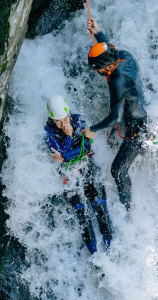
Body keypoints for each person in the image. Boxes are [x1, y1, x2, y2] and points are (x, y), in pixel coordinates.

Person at [82, 17, 148, 211]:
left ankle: (128, 210)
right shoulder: (123, 55)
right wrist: (98, 33)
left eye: (99, 70)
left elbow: (116, 118)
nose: (98, 72)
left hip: (138, 126)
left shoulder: (117, 82)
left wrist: (92, 129)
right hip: (138, 104)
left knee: (118, 171)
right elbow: (109, 49)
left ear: (109, 67)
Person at [44, 95, 113, 254]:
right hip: (69, 174)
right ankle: (95, 255)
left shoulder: (78, 120)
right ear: (52, 119)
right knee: (82, 214)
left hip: (87, 165)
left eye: (65, 119)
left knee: (100, 208)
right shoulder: (48, 132)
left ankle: (111, 249)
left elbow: (86, 146)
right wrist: (68, 137)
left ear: (69, 114)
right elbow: (58, 152)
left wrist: (65, 156)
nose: (63, 124)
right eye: (58, 122)